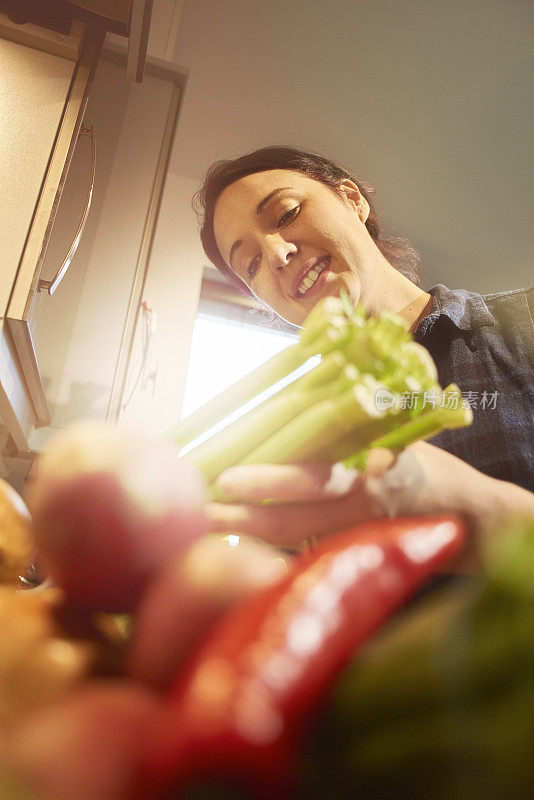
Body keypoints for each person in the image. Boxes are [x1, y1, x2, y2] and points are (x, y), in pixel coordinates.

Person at [195, 146, 534, 556]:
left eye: (286, 214)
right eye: (250, 265)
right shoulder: (293, 443)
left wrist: (479, 508)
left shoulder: (525, 322)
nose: (277, 254)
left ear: (353, 200)